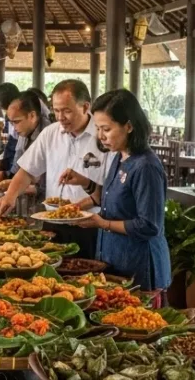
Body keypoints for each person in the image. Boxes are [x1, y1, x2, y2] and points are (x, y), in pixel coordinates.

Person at [0, 79, 114, 259]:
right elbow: (27, 171)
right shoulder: (51, 133)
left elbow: (108, 191)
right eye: (56, 110)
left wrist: (73, 209)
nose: (60, 117)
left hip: (89, 224)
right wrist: (10, 196)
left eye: (66, 111)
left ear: (85, 106)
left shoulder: (103, 135)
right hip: (52, 221)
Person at [70, 89, 171, 292]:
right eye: (98, 128)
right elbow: (112, 198)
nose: (100, 136)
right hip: (115, 259)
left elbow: (149, 226)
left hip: (139, 263)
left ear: (129, 126)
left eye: (106, 129)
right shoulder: (119, 156)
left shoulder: (146, 166)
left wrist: (103, 223)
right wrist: (84, 189)